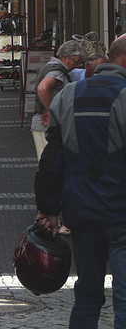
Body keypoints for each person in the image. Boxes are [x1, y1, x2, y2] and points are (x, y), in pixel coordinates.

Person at [34, 34, 126, 329]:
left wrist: (48, 208)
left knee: (87, 295)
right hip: (120, 214)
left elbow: (52, 157)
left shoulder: (68, 95)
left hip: (81, 212)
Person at [31, 40, 86, 161]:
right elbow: (42, 88)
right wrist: (52, 113)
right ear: (66, 57)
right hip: (45, 125)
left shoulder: (49, 66)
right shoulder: (58, 72)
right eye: (77, 62)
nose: (78, 66)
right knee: (50, 166)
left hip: (43, 124)